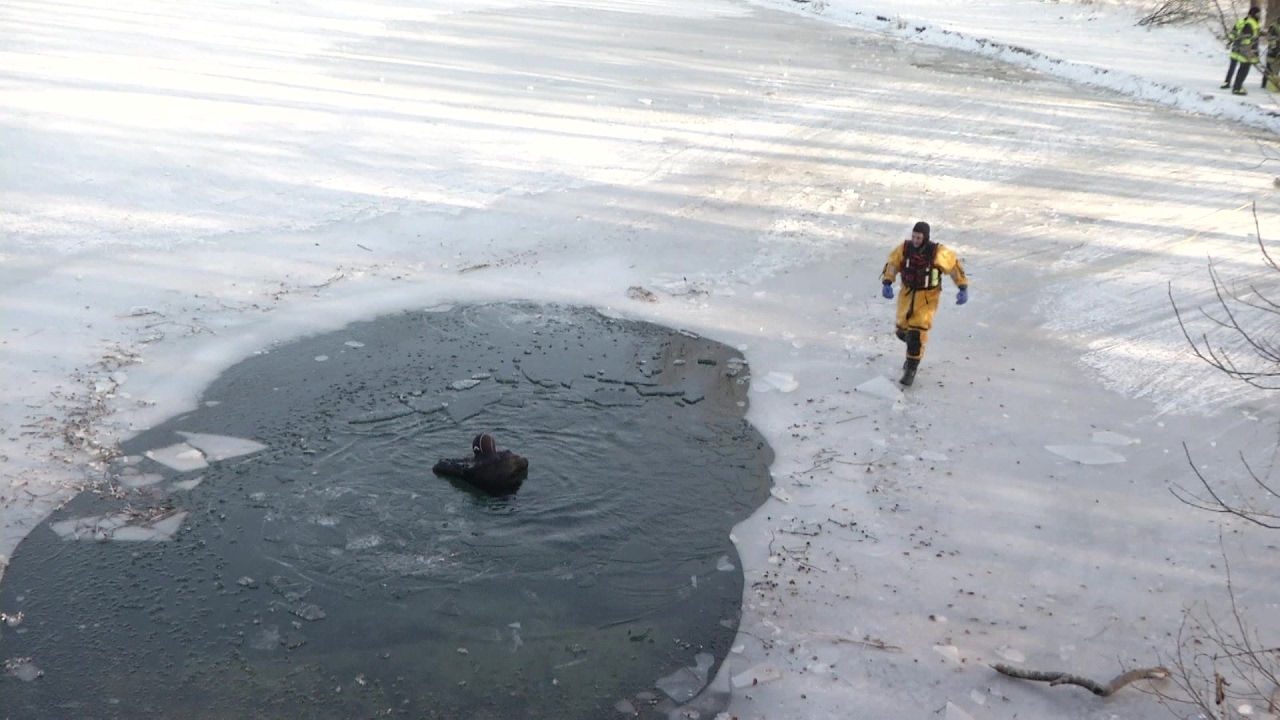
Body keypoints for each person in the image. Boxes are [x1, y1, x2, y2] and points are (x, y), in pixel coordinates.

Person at [880, 221, 969, 387]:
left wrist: (962, 286)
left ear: (925, 237)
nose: (915, 240)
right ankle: (912, 351)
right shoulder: (904, 249)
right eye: (913, 236)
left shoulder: (937, 253)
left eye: (919, 237)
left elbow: (954, 267)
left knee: (916, 333)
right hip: (906, 295)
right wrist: (887, 282)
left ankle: (911, 368)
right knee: (902, 331)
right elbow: (893, 264)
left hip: (927, 297)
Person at [1223, 6, 1261, 96]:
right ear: (1253, 14)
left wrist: (1229, 42)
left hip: (1240, 48)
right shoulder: (1250, 23)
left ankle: (1232, 84)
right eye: (1258, 14)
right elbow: (1246, 37)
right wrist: (1250, 50)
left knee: (1237, 67)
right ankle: (1237, 87)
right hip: (1246, 50)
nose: (1259, 15)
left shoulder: (1250, 23)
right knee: (1243, 69)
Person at [1263, 15, 1280, 89]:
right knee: (1270, 66)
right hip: (1273, 50)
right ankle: (1265, 83)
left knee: (1276, 68)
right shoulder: (1274, 26)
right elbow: (1271, 38)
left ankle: (1273, 82)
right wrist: (1275, 49)